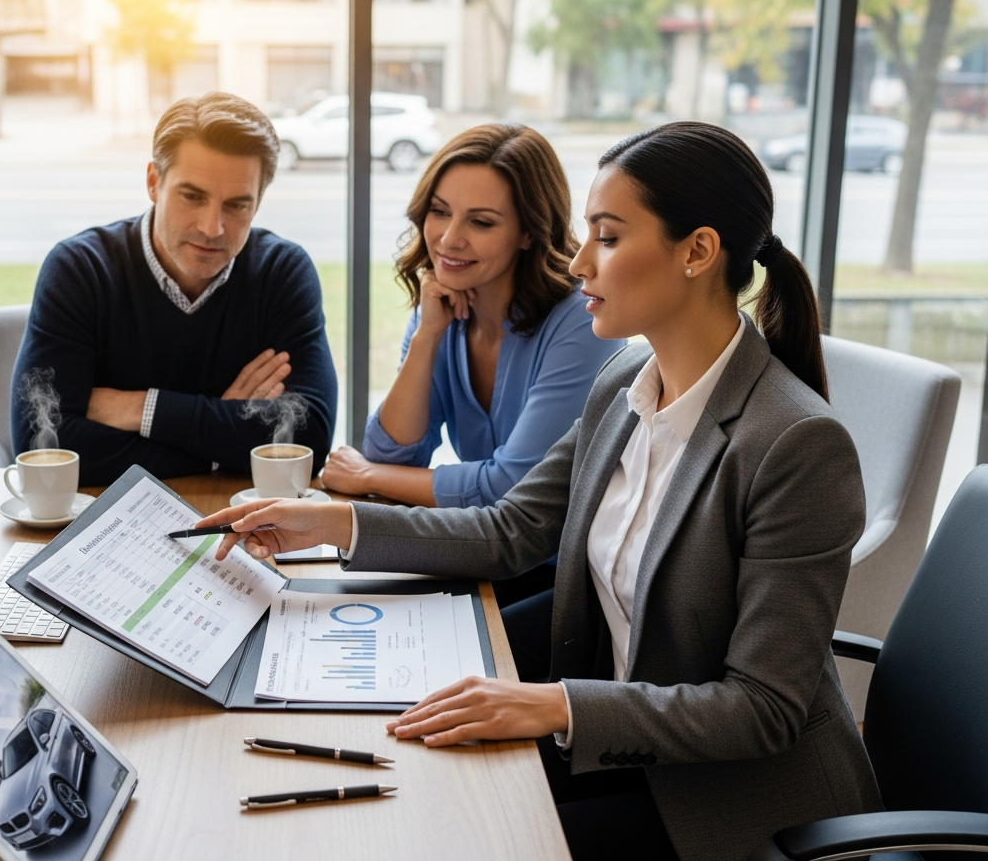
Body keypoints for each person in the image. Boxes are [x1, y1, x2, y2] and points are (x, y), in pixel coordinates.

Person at [195, 122, 883, 860]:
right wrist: (329, 522)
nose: (581, 261)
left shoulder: (795, 444)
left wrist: (551, 703)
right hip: (630, 752)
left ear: (698, 251)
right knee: (414, 788)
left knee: (457, 833)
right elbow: (509, 530)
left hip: (734, 806)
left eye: (609, 238)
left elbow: (762, 711)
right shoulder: (626, 382)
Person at [321, 125, 623, 607]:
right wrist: (427, 336)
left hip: (562, 582)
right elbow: (391, 452)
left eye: (481, 222)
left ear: (527, 233)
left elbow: (511, 490)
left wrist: (366, 479)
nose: (449, 239)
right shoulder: (443, 309)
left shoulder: (578, 321)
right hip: (486, 556)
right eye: (440, 212)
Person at [10, 93, 336, 486]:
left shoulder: (282, 272)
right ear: (153, 182)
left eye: (236, 206)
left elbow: (309, 444)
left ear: (259, 201)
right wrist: (220, 442)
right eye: (192, 196)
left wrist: (142, 409)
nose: (212, 227)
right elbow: (42, 449)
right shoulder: (80, 270)